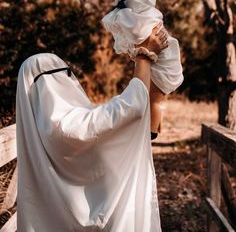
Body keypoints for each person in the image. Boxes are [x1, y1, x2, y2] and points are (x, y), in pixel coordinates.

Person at [16, 23, 168, 232]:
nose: (60, 82)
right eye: (53, 76)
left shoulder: (51, 127)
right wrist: (144, 56)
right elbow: (130, 108)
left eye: (64, 74)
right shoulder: (65, 127)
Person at [102, 0, 184, 137]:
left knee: (155, 99)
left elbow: (138, 34)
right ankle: (155, 129)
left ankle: (151, 133)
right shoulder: (148, 16)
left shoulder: (146, 20)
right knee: (155, 99)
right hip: (163, 62)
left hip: (162, 63)